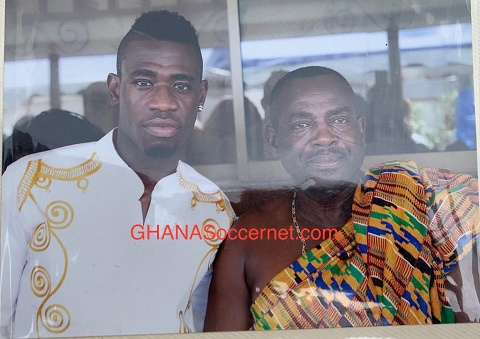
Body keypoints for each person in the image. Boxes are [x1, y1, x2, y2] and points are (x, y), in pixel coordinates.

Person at [0, 11, 234, 338]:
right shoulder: (33, 182)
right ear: (115, 88)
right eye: (143, 81)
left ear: (201, 96)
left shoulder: (214, 208)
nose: (163, 102)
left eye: (181, 85)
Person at [204, 66, 480, 331]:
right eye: (301, 124)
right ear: (274, 141)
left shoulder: (425, 209)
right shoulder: (247, 240)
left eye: (338, 120)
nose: (324, 138)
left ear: (360, 129)